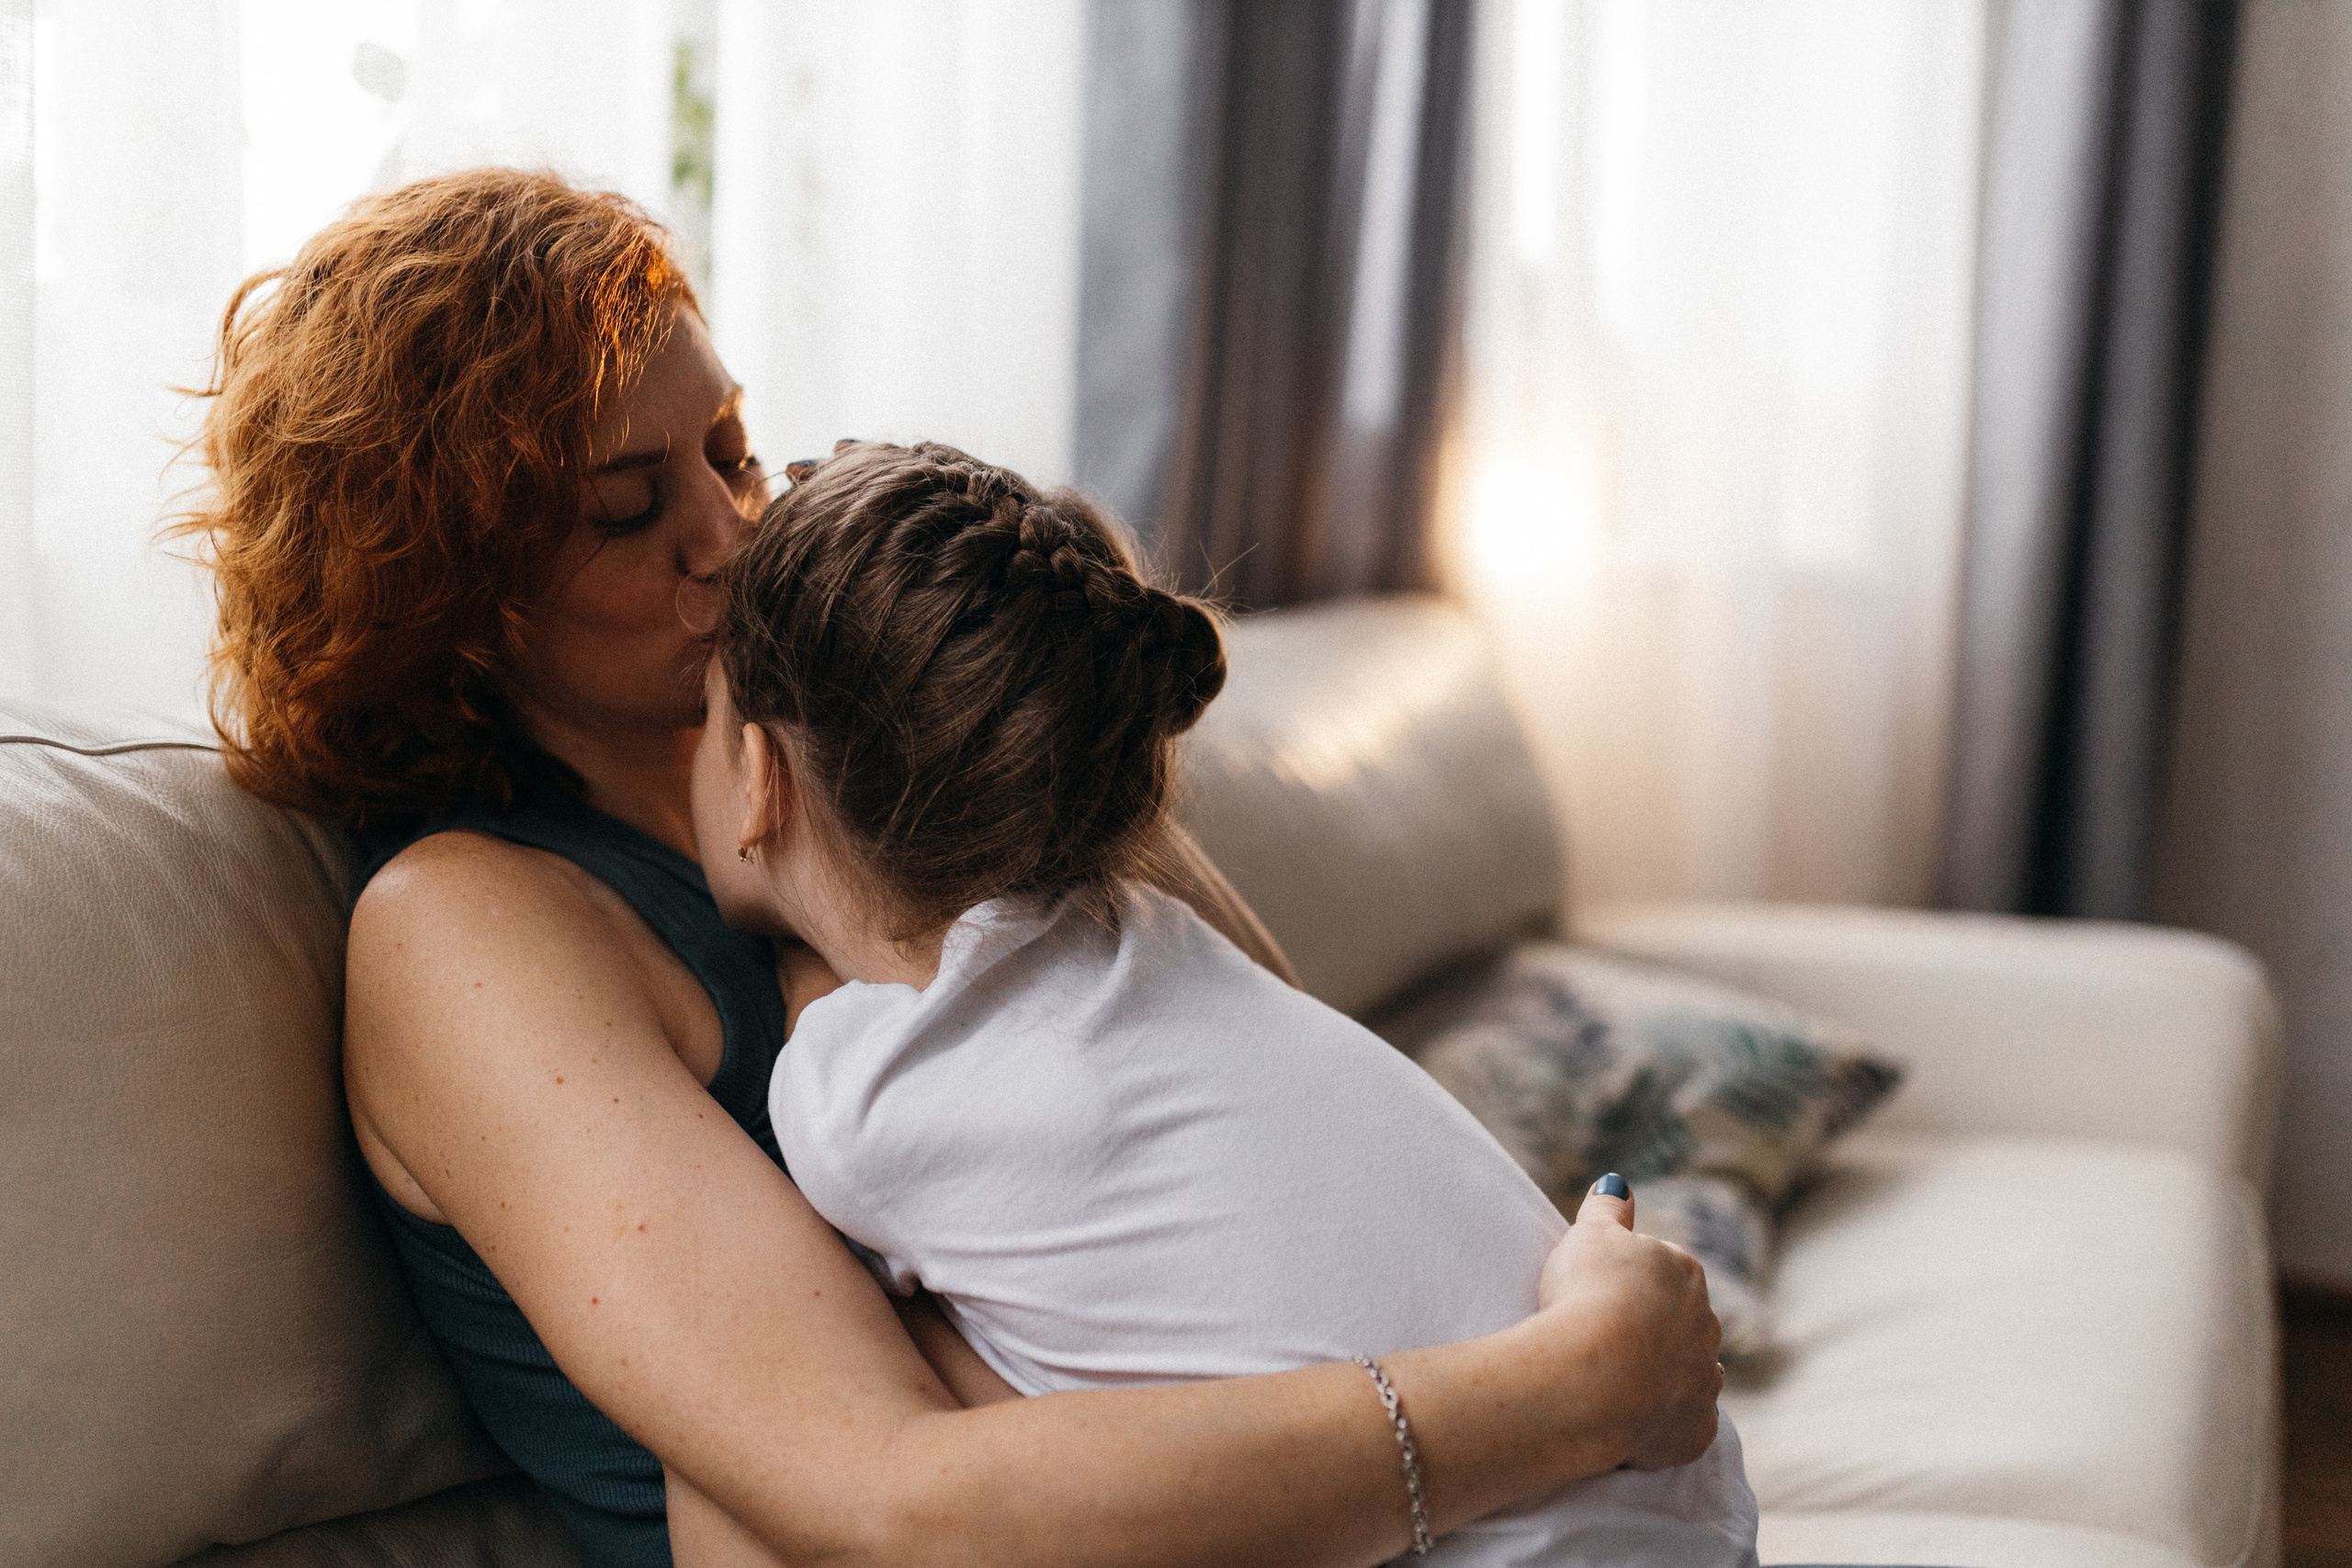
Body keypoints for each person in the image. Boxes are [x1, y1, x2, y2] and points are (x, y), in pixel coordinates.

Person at [180, 165, 1725, 1568]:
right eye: (624, 509)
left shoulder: (875, 727)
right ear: (458, 601)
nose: (728, 534)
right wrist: (1565, 1387)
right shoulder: (471, 926)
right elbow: (889, 1494)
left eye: (731, 447)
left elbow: (1253, 1079)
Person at [688, 438, 1760, 1568]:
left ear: (760, 779)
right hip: (1687, 1522)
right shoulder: (1161, 936)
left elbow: (902, 1425)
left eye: (701, 723)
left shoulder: (859, 1097)